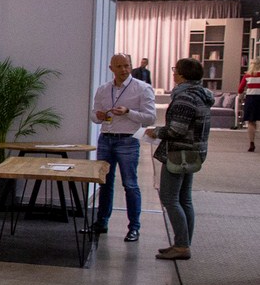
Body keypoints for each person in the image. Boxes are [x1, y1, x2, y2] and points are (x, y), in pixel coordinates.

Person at [145, 58, 213, 260]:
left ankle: (182, 246)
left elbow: (177, 130)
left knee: (170, 198)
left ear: (182, 74)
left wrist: (156, 132)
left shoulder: (185, 98)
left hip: (179, 153)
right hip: (194, 152)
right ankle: (183, 243)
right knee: (184, 199)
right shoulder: (201, 95)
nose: (173, 72)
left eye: (175, 69)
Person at [90, 52, 157, 242]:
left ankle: (134, 227)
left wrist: (128, 112)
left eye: (126, 66)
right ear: (111, 68)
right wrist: (99, 116)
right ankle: (102, 222)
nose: (124, 70)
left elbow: (150, 118)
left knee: (130, 184)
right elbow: (94, 115)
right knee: (104, 183)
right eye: (119, 66)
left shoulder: (142, 88)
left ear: (131, 66)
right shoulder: (103, 89)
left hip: (128, 140)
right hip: (106, 139)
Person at [241, 64, 260, 153]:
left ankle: (252, 143)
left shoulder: (248, 75)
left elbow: (240, 88)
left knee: (251, 121)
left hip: (251, 99)